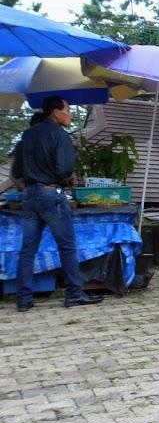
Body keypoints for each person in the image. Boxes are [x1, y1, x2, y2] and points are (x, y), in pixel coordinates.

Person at [11, 96, 103, 312]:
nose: (69, 114)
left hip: (29, 196)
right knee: (67, 246)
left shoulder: (27, 135)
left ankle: (24, 298)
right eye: (67, 110)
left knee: (27, 249)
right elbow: (64, 169)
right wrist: (65, 180)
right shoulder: (59, 135)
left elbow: (16, 172)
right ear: (55, 112)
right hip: (51, 194)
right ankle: (74, 293)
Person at [9, 112, 47, 191]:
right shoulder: (22, 145)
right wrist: (24, 188)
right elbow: (12, 174)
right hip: (30, 190)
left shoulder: (48, 145)